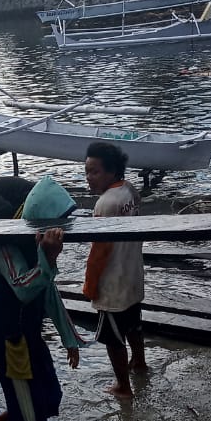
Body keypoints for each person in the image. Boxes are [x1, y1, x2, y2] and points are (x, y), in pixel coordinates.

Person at [0, 176, 84, 421]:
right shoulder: (8, 250)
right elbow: (25, 289)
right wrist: (48, 258)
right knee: (26, 406)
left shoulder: (39, 246)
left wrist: (70, 339)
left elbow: (48, 295)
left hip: (30, 338)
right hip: (8, 341)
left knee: (50, 397)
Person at [83, 142, 147, 398]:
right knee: (133, 323)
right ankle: (140, 362)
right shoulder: (129, 190)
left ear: (111, 172)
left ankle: (123, 386)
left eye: (94, 172)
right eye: (87, 171)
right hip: (132, 272)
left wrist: (90, 284)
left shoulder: (105, 204)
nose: (88, 177)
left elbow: (100, 251)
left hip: (113, 281)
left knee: (112, 337)